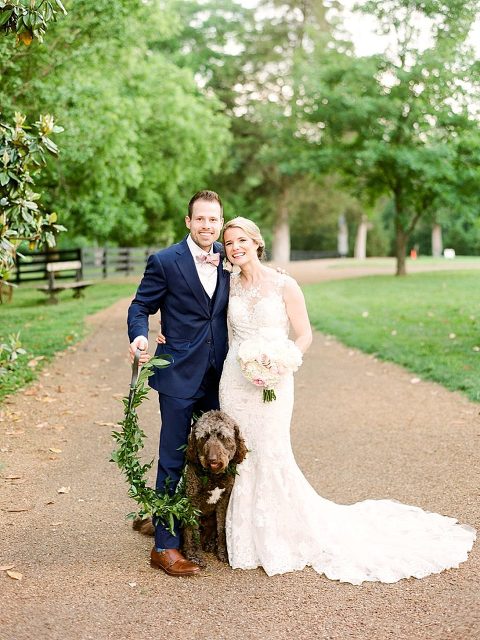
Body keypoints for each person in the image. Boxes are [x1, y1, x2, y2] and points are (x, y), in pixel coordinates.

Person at [219, 217, 476, 583]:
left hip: (274, 380)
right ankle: (240, 539)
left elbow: (305, 334)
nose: (235, 247)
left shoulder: (284, 285)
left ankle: (278, 535)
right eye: (229, 243)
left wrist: (282, 362)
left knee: (271, 449)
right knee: (240, 455)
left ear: (256, 242)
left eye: (241, 240)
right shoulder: (227, 286)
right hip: (234, 380)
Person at [127, 190, 229, 577]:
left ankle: (204, 532)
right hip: (177, 374)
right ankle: (165, 546)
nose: (207, 226)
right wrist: (140, 337)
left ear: (221, 222)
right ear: (188, 222)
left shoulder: (229, 257)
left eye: (213, 220)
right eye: (200, 219)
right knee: (172, 458)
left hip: (220, 376)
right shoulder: (166, 261)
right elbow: (140, 306)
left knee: (216, 457)